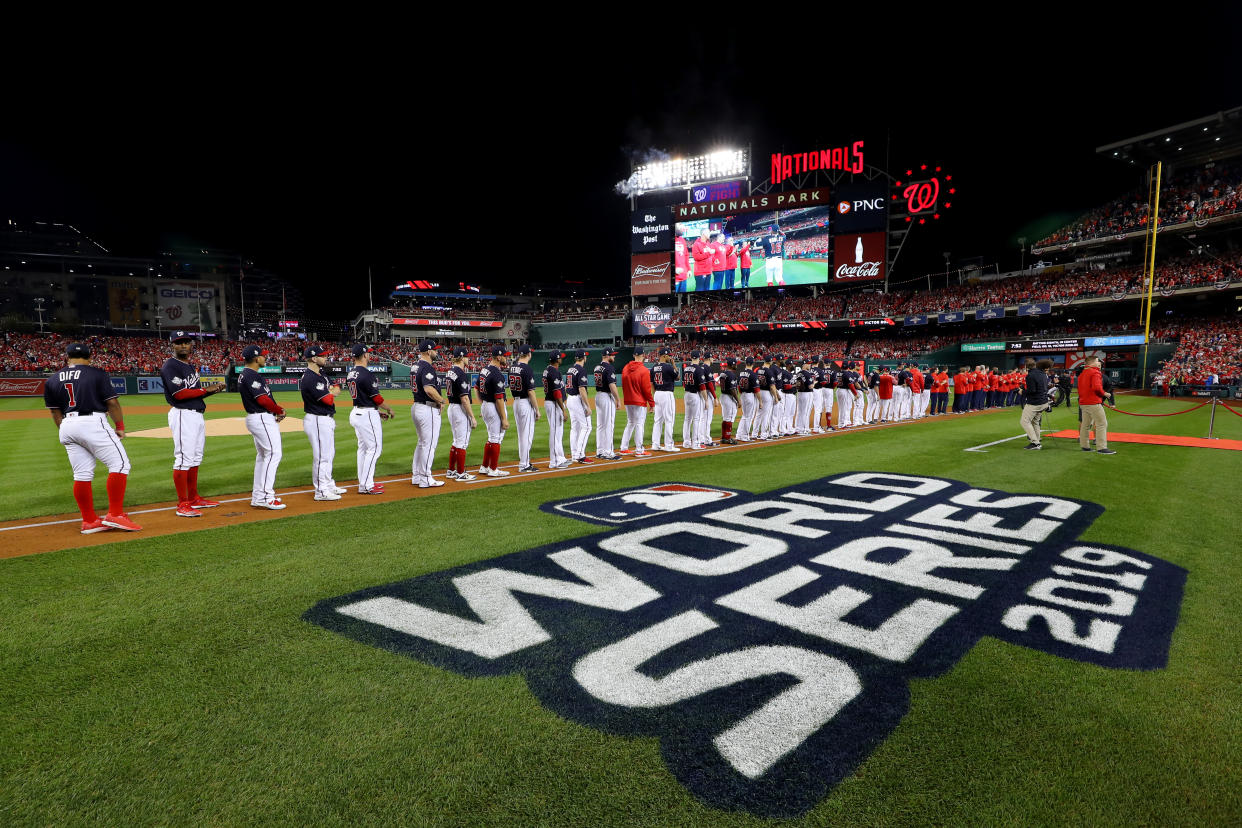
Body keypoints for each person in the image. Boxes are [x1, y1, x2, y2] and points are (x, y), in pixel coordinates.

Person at [44, 342, 140, 533]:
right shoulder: (97, 373)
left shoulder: (52, 379)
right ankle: (115, 514)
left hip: (67, 425)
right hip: (92, 421)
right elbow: (112, 403)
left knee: (81, 474)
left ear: (67, 357)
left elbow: (55, 414)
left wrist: (67, 430)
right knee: (120, 465)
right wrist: (119, 427)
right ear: (90, 357)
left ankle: (89, 521)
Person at [161, 332, 226, 518]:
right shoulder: (170, 366)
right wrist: (207, 389)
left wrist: (211, 391)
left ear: (191, 344)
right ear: (172, 345)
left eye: (186, 342)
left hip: (196, 415)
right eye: (178, 343)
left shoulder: (189, 366)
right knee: (183, 459)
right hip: (183, 414)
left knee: (195, 457)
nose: (182, 346)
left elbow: (195, 392)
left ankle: (194, 498)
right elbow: (179, 395)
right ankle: (182, 504)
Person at [238, 345, 287, 509]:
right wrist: (279, 410)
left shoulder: (248, 374)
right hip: (260, 417)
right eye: (263, 356)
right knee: (273, 454)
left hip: (258, 417)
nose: (266, 358)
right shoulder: (250, 375)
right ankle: (266, 496)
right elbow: (263, 400)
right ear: (255, 358)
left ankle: (259, 496)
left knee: (264, 456)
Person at [300, 344, 346, 501]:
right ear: (314, 358)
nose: (326, 357)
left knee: (329, 454)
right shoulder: (309, 378)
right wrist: (331, 392)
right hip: (317, 419)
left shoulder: (322, 374)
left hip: (325, 419)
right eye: (323, 355)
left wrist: (332, 391)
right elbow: (327, 399)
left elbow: (337, 388)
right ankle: (320, 491)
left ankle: (328, 484)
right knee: (321, 456)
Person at [347, 344, 392, 494]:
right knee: (374, 448)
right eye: (368, 354)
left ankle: (365, 482)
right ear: (364, 355)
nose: (370, 356)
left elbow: (365, 397)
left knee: (364, 448)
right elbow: (376, 398)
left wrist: (378, 412)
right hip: (366, 415)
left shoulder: (351, 373)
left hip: (357, 411)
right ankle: (366, 485)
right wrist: (388, 408)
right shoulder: (367, 374)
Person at [411, 340, 447, 487]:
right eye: (435, 350)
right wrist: (442, 401)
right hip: (427, 408)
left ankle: (417, 476)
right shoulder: (426, 367)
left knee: (421, 443)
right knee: (429, 444)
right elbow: (429, 389)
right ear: (428, 351)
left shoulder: (415, 366)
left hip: (417, 407)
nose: (437, 352)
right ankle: (425, 478)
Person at [475, 345, 510, 477]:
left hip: (486, 405)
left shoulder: (485, 369)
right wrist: (504, 419)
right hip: (493, 406)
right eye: (505, 356)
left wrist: (482, 404)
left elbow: (476, 387)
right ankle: (493, 469)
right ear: (498, 356)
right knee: (496, 438)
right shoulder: (497, 374)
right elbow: (499, 399)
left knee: (491, 438)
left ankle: (484, 466)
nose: (507, 358)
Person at [445, 346, 478, 482]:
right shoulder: (460, 373)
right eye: (467, 356)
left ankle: (451, 470)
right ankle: (460, 473)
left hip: (451, 407)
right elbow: (464, 398)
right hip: (459, 409)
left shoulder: (450, 371)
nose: (468, 359)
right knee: (462, 443)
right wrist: (472, 417)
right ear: (462, 357)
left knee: (456, 441)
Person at [509, 344, 541, 472]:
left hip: (516, 402)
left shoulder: (512, 367)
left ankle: (524, 461)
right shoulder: (527, 369)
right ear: (529, 354)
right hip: (525, 403)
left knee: (521, 434)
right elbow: (531, 392)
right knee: (526, 435)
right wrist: (537, 409)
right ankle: (524, 464)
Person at [619, 346, 654, 456]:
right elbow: (647, 390)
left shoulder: (625, 368)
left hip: (628, 400)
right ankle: (639, 450)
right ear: (643, 356)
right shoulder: (644, 370)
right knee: (639, 424)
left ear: (634, 355)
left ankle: (624, 448)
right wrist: (652, 403)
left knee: (631, 423)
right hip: (639, 401)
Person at [1078, 356, 1116, 454]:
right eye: (1097, 361)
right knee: (1102, 424)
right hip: (1093, 402)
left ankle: (1085, 446)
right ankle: (1102, 448)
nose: (1099, 362)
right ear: (1093, 362)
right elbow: (1097, 388)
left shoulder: (1082, 373)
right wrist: (1105, 393)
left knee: (1085, 425)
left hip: (1083, 403)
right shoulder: (1095, 372)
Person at [542, 351, 571, 469]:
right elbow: (556, 392)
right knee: (555, 433)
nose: (561, 359)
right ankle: (554, 461)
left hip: (553, 403)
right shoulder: (553, 371)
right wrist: (563, 409)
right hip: (554, 403)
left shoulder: (548, 370)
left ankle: (560, 457)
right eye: (561, 358)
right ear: (557, 359)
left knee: (558, 432)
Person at [565, 349, 594, 464]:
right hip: (577, 399)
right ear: (584, 358)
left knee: (575, 428)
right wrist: (587, 406)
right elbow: (582, 389)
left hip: (570, 399)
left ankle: (574, 454)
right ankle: (580, 455)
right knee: (586, 427)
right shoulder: (581, 370)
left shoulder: (570, 369)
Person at [593, 347, 622, 460]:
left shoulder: (597, 367)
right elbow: (612, 385)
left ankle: (600, 451)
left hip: (598, 396)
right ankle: (608, 452)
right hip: (606, 396)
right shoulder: (609, 367)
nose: (614, 356)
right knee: (609, 424)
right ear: (607, 355)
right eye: (612, 354)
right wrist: (618, 399)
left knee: (600, 425)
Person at [650, 347, 679, 452]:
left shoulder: (653, 368)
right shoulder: (668, 367)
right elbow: (678, 377)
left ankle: (655, 444)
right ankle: (669, 445)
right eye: (668, 355)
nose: (670, 357)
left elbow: (651, 384)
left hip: (657, 393)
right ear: (664, 356)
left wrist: (654, 396)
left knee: (657, 421)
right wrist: (674, 364)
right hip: (667, 394)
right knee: (669, 420)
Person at [1020, 358, 1052, 450]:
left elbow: (1032, 391)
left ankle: (1035, 443)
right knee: (1035, 422)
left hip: (1035, 403)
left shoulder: (1030, 375)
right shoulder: (1043, 374)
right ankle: (1037, 440)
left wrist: (1022, 391)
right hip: (1044, 402)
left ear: (1026, 366)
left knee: (1024, 421)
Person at [682, 349, 707, 449]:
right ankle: (695, 443)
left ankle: (686, 442)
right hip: (695, 395)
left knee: (687, 419)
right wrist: (706, 400)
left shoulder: (686, 368)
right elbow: (702, 387)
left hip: (686, 394)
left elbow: (684, 383)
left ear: (691, 357)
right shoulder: (699, 369)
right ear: (699, 357)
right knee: (696, 419)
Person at [718, 356, 741, 443]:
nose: (737, 366)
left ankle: (724, 437)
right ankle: (727, 438)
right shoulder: (731, 374)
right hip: (729, 397)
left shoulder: (723, 373)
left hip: (723, 396)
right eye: (736, 364)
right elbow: (732, 389)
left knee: (726, 417)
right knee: (729, 417)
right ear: (732, 365)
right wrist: (738, 400)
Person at [700, 349, 719, 446]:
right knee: (707, 418)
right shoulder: (708, 368)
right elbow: (710, 384)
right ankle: (707, 439)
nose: (713, 359)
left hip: (700, 394)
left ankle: (701, 439)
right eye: (712, 357)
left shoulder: (700, 367)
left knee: (702, 418)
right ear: (708, 358)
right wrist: (715, 397)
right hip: (707, 393)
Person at [736, 356, 756, 442]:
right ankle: (745, 436)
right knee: (749, 416)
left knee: (744, 416)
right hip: (750, 395)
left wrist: (741, 394)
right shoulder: (752, 374)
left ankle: (739, 434)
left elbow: (738, 387)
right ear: (753, 364)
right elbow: (756, 389)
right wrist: (760, 400)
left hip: (743, 395)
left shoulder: (740, 373)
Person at [795, 356, 815, 435]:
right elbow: (810, 386)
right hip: (807, 393)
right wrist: (814, 383)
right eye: (809, 364)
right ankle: (804, 429)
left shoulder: (798, 373)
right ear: (805, 364)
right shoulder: (807, 374)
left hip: (799, 393)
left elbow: (796, 384)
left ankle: (798, 428)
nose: (810, 365)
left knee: (800, 411)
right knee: (805, 412)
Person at [673, 224, 690, 293]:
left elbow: (686, 255)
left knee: (683, 300)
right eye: (680, 224)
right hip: (674, 278)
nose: (683, 226)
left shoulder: (682, 240)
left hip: (683, 276)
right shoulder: (666, 239)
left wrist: (688, 269)